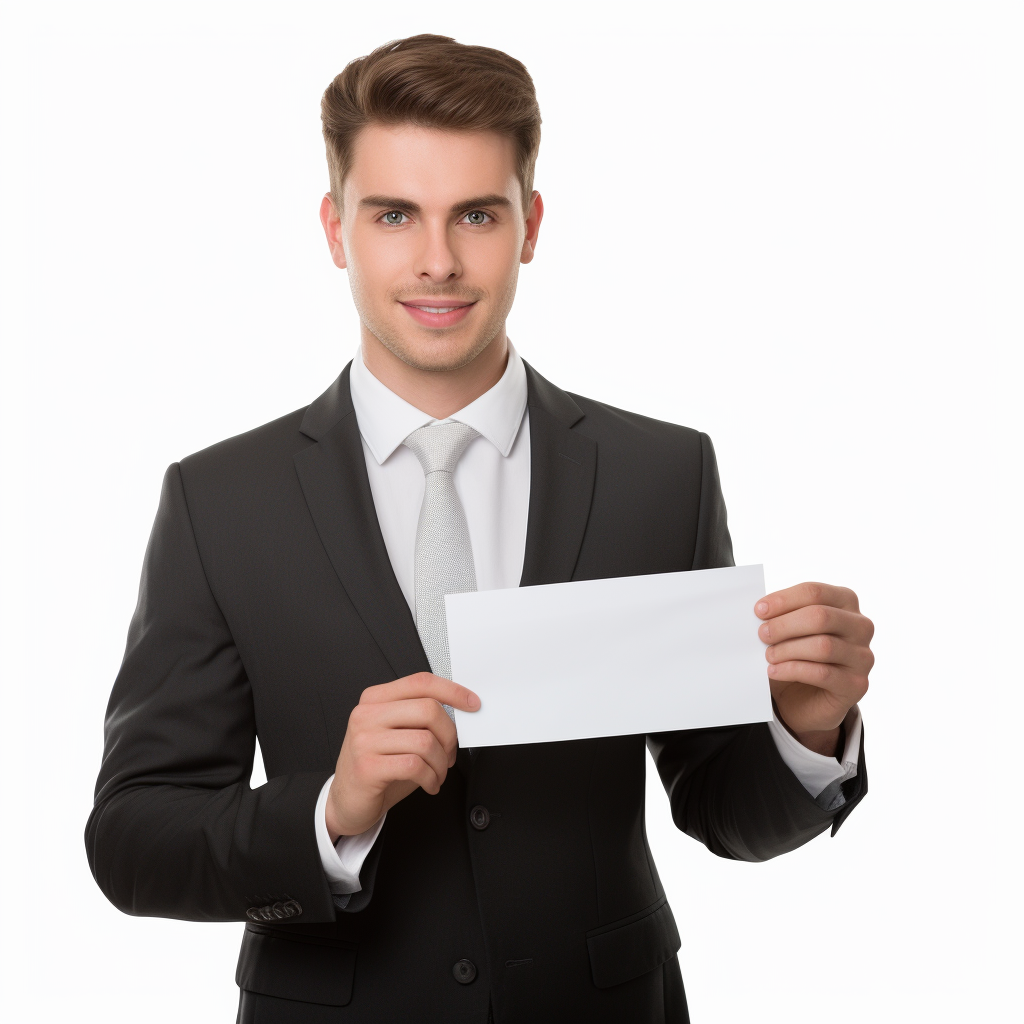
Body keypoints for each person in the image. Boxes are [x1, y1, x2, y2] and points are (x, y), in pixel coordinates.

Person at [86, 34, 874, 1024]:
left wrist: (806, 728)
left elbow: (723, 805)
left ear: (529, 224)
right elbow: (133, 837)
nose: (438, 261)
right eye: (392, 215)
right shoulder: (219, 499)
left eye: (474, 213)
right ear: (336, 230)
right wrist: (330, 809)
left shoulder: (658, 474)